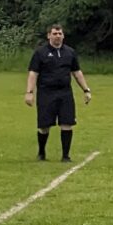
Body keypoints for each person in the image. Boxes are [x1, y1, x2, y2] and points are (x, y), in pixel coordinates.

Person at [23, 23, 91, 161]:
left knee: (67, 123)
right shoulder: (40, 53)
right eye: (54, 33)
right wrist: (29, 92)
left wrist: (86, 90)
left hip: (65, 93)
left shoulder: (70, 52)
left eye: (60, 34)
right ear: (49, 35)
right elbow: (33, 73)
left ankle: (65, 156)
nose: (57, 36)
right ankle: (41, 153)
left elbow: (77, 72)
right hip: (46, 93)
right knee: (44, 126)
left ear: (63, 36)